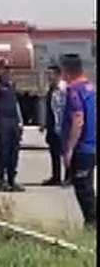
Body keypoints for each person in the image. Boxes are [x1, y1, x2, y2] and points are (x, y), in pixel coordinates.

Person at [59, 54, 96, 229]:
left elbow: (78, 118)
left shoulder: (74, 89)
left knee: (83, 187)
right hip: (92, 144)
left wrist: (70, 149)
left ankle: (92, 222)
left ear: (67, 71)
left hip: (83, 147)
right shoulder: (91, 87)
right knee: (88, 185)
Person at [0, 59, 26, 192]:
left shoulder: (12, 86)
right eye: (5, 69)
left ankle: (12, 179)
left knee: (14, 152)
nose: (8, 72)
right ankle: (2, 179)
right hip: (1, 123)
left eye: (9, 70)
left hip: (13, 122)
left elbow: (16, 104)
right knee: (2, 151)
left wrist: (20, 121)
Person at [41, 64, 67, 186]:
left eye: (50, 74)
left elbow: (65, 108)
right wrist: (45, 124)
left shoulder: (64, 89)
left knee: (65, 151)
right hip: (52, 125)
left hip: (62, 125)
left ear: (58, 75)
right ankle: (56, 176)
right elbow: (50, 108)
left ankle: (69, 176)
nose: (48, 77)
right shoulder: (51, 89)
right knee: (54, 152)